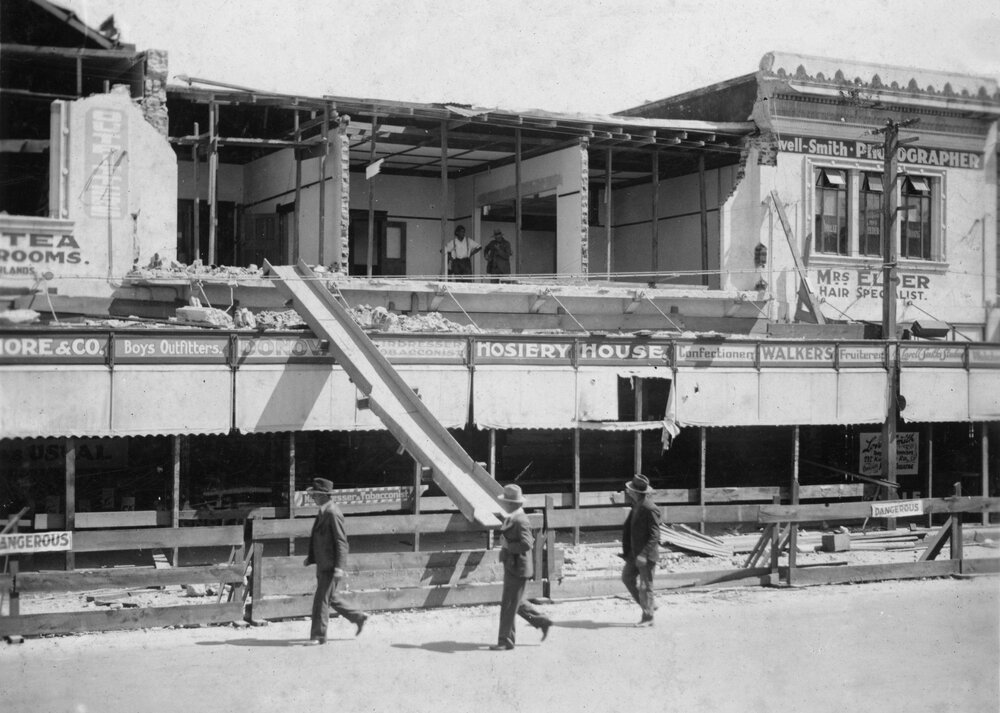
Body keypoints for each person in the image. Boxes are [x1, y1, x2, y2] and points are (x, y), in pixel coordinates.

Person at [303, 477, 368, 644]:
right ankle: (358, 617)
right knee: (329, 597)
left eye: (315, 495)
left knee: (321, 600)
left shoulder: (332, 512)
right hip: (323, 563)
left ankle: (318, 636)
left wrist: (340, 567)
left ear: (325, 495)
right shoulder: (324, 510)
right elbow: (317, 537)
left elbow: (341, 542)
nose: (313, 498)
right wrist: (311, 558)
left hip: (330, 566)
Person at [492, 483, 553, 650]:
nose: (503, 504)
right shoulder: (513, 517)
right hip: (514, 566)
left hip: (518, 568)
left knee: (509, 604)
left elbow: (528, 543)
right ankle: (542, 620)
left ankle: (506, 641)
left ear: (512, 503)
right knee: (515, 602)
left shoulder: (520, 520)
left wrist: (507, 545)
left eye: (505, 501)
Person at [621, 474, 661, 627]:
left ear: (636, 492)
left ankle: (648, 617)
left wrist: (644, 554)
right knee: (627, 578)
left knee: (646, 586)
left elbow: (655, 535)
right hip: (634, 553)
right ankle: (649, 605)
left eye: (630, 489)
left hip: (645, 555)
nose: (627, 491)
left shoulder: (649, 508)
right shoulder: (637, 505)